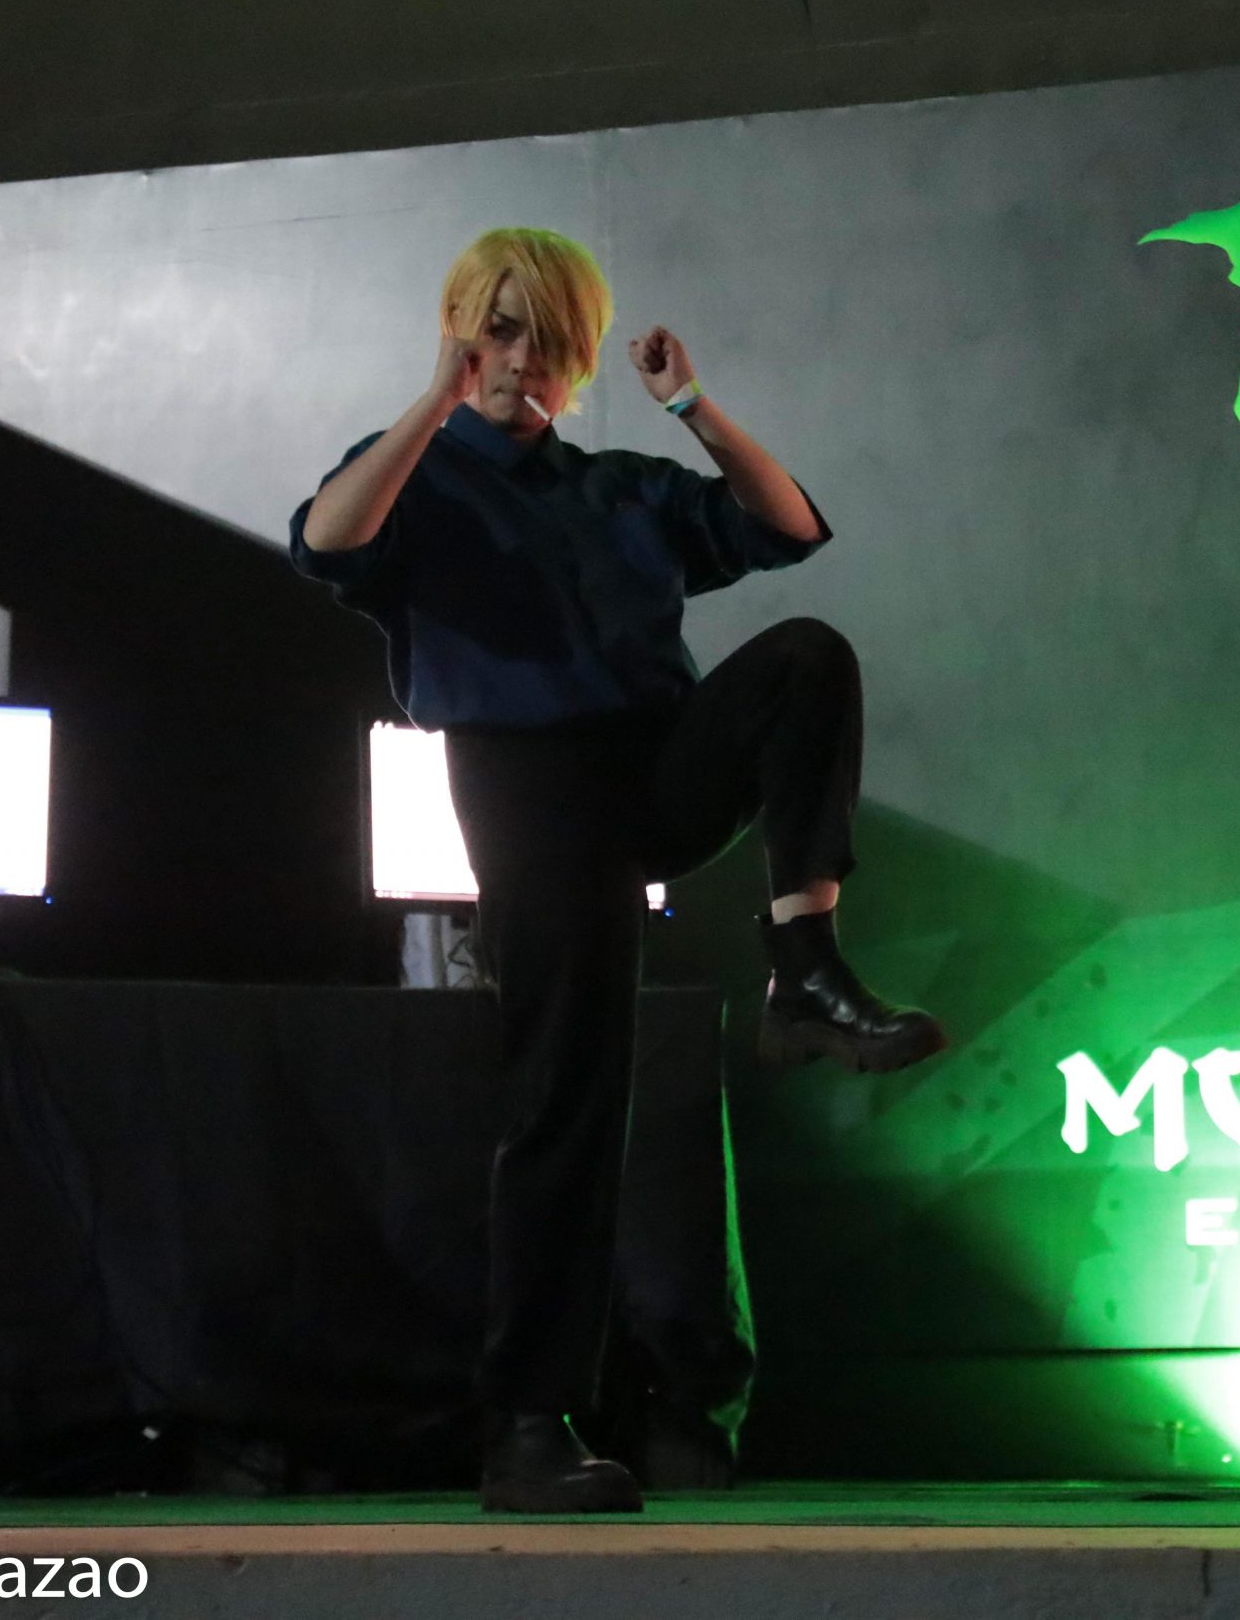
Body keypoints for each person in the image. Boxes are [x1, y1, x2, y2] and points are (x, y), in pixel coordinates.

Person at [287, 228, 947, 1513]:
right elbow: (326, 540)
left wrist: (691, 405)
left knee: (807, 655)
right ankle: (528, 1426)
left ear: (577, 359)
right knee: (570, 1097)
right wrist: (432, 400)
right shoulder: (419, 475)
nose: (517, 363)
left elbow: (787, 524)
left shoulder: (618, 488)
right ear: (461, 336)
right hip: (528, 791)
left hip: (651, 766)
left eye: (544, 343)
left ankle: (803, 969)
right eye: (497, 333)